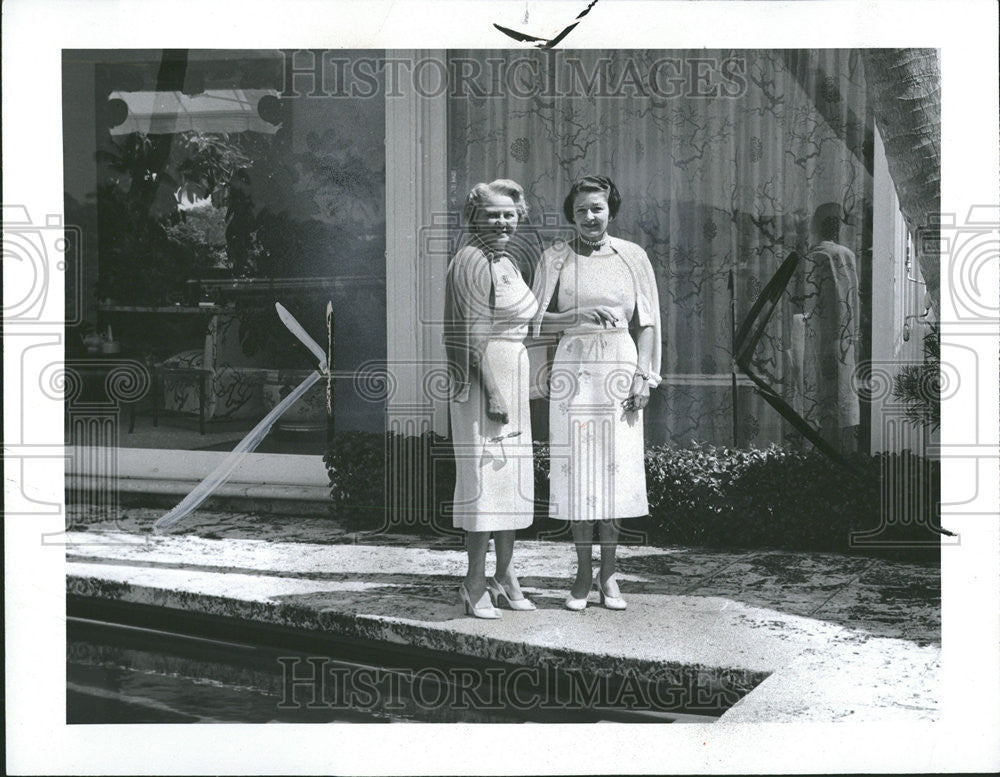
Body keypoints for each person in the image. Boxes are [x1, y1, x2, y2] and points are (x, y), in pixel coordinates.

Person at [532, 175, 662, 611]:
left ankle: (609, 575)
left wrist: (644, 376)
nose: (590, 216)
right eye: (583, 208)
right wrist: (575, 315)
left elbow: (646, 322)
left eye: (598, 208)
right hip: (573, 371)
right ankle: (582, 574)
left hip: (619, 372)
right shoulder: (554, 258)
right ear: (572, 213)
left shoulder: (633, 257)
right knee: (578, 475)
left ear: (611, 211)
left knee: (614, 474)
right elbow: (534, 323)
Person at [444, 179, 539, 618]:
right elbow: (470, 336)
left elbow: (522, 317)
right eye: (493, 214)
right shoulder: (471, 260)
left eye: (509, 214)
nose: (503, 221)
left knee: (510, 485)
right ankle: (474, 584)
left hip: (511, 374)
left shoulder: (504, 261)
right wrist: (494, 391)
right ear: (474, 218)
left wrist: (577, 315)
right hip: (485, 382)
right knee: (485, 488)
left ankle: (504, 575)